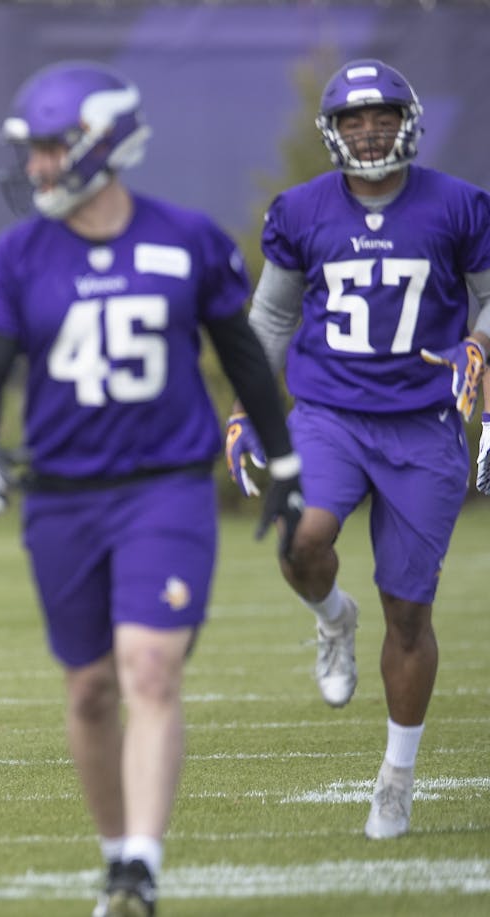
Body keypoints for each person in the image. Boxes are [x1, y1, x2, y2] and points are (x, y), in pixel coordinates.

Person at [0, 62, 303, 917]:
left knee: (150, 668)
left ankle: (141, 865)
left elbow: (244, 356)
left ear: (103, 143)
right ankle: (116, 852)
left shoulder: (186, 237)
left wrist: (286, 463)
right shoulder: (18, 254)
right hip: (65, 497)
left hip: (165, 489)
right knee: (89, 688)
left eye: (51, 147)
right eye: (31, 149)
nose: (37, 166)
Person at [225, 59, 490, 841]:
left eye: (380, 116)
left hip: (422, 423)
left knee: (409, 611)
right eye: (352, 119)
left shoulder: (459, 205)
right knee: (302, 532)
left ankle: (396, 777)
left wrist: (480, 343)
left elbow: (487, 298)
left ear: (406, 121)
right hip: (328, 413)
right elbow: (270, 319)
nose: (367, 130)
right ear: (332, 131)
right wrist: (246, 399)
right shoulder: (303, 210)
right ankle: (333, 617)